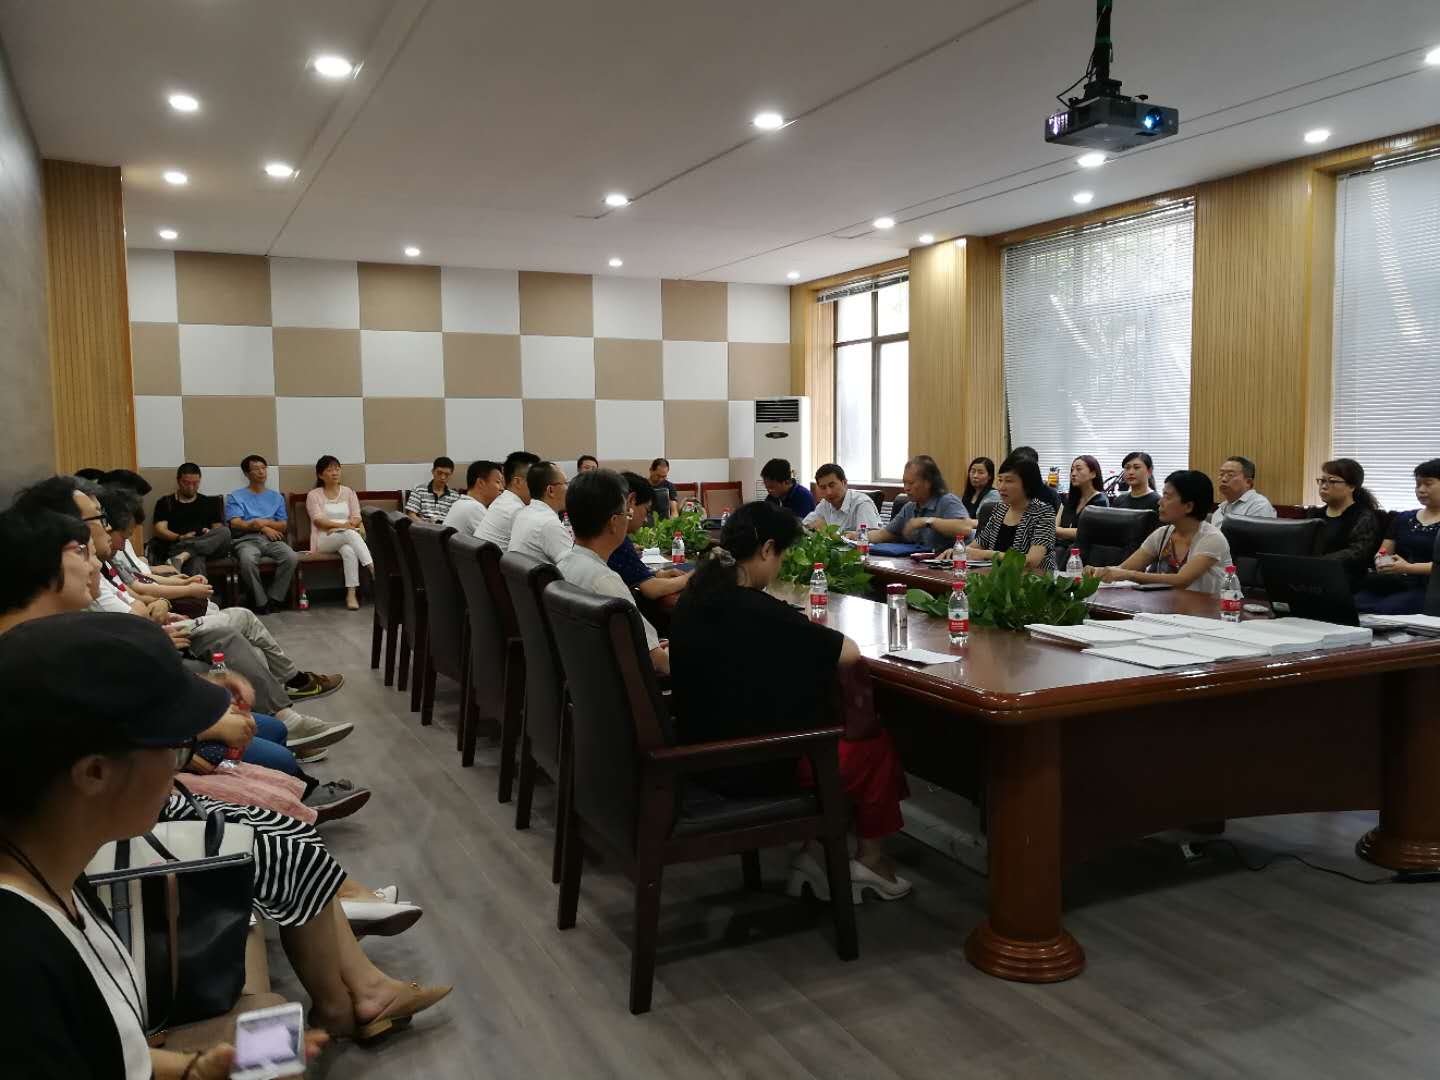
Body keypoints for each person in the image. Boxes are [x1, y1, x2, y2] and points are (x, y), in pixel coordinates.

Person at [0, 614, 449, 1061]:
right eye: (177, 749)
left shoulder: (57, 880)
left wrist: (196, 1068)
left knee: (273, 1024)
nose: (180, 771)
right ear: (94, 774)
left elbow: (113, 1053)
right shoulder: (23, 961)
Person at [669, 501, 911, 902]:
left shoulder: (694, 597)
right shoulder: (759, 611)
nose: (779, 566)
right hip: (748, 765)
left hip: (698, 750)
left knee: (840, 735)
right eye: (781, 556)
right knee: (871, 748)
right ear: (767, 549)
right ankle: (871, 861)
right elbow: (848, 653)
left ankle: (813, 855)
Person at [12, 478, 351, 754]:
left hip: (161, 640)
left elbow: (138, 593)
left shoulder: (90, 582)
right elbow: (136, 612)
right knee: (232, 622)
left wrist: (164, 600)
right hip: (162, 660)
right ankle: (289, 708)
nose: (106, 527)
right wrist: (194, 742)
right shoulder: (36, 655)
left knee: (224, 594)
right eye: (98, 520)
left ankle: (288, 707)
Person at [556, 469, 670, 673]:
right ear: (614, 522)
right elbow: (656, 661)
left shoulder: (563, 565)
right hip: (623, 685)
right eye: (627, 513)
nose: (629, 518)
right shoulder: (605, 581)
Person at [1087, 469, 1231, 593]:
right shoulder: (1163, 534)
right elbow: (1123, 569)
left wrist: (1128, 575)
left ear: (1188, 506)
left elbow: (1181, 581)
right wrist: (1100, 571)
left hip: (1212, 612)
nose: (1160, 502)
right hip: (1168, 607)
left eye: (1167, 497)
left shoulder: (1212, 538)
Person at [1356, 459, 1439, 615]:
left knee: (1384, 611)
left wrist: (1408, 568)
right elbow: (1384, 551)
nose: (1421, 490)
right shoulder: (1403, 517)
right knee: (1353, 604)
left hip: (1430, 588)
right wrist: (1381, 560)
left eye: (1428, 484)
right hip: (1395, 582)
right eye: (1418, 484)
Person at [226, 455, 298, 614]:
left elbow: (283, 525)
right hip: (246, 540)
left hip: (273, 539)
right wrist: (263, 527)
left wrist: (261, 524)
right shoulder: (236, 496)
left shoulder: (276, 497)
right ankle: (261, 602)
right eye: (256, 469)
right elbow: (235, 523)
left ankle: (275, 598)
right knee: (247, 560)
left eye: (263, 468)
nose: (261, 472)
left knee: (291, 557)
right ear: (246, 474)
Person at [966, 454, 1058, 571]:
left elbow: (1031, 561)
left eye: (1009, 481)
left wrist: (986, 554)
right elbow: (977, 545)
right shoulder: (1000, 509)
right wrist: (959, 551)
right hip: (996, 577)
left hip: (1032, 579)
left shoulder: (1043, 513)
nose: (1001, 487)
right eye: (1000, 480)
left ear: (1028, 484)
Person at [306, 456, 374, 611]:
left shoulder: (348, 492)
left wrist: (344, 527)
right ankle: (372, 567)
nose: (334, 473)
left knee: (349, 550)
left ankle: (351, 594)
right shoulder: (314, 495)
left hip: (346, 536)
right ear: (320, 475)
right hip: (324, 539)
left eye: (337, 469)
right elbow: (318, 521)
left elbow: (356, 517)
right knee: (349, 534)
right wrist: (342, 526)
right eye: (329, 470)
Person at [612, 472, 690, 607]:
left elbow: (634, 573)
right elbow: (652, 589)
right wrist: (691, 577)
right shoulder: (616, 540)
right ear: (631, 501)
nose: (646, 520)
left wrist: (656, 573)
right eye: (646, 510)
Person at [1304, 458, 1381, 589]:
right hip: (1310, 576)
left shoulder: (1364, 517)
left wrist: (1317, 563)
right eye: (1322, 480)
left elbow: (1357, 553)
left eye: (1332, 481)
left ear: (1351, 486)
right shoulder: (1314, 514)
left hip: (1347, 580)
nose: (1324, 486)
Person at [867, 456, 970, 549]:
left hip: (952, 560)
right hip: (921, 561)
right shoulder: (909, 507)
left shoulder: (947, 501)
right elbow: (883, 534)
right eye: (904, 483)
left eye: (911, 483)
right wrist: (860, 535)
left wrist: (927, 521)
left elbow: (966, 528)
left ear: (928, 483)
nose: (906, 488)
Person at [150, 463, 232, 578]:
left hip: (209, 546)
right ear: (178, 481)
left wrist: (209, 533)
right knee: (196, 559)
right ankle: (187, 557)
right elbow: (160, 530)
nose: (191, 487)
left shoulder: (209, 502)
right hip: (178, 545)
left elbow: (218, 528)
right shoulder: (166, 502)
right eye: (186, 483)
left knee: (225, 532)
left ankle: (185, 554)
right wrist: (180, 537)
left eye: (195, 483)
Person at [507, 461, 572, 565]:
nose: (569, 488)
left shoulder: (524, 513)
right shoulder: (549, 524)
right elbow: (573, 568)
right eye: (565, 483)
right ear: (550, 490)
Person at [475, 450, 539, 550]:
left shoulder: (502, 500)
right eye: (536, 480)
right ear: (517, 482)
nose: (540, 486)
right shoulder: (517, 510)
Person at [804, 463, 881, 535]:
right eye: (823, 487)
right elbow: (803, 527)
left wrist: (828, 533)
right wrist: (810, 527)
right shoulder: (824, 504)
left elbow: (867, 537)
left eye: (832, 485)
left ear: (844, 483)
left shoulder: (862, 504)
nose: (828, 492)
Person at [1055, 455, 1109, 545]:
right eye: (1072, 470)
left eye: (1079, 469)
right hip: (1060, 547)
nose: (1073, 474)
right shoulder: (1069, 499)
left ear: (1093, 474)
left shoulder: (1100, 501)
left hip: (1083, 550)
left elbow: (1089, 532)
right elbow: (1055, 525)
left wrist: (1058, 531)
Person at [442, 459, 504, 537]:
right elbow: (498, 541)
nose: (502, 488)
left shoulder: (460, 503)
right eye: (498, 482)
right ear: (481, 483)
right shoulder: (474, 508)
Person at [1211, 456, 1276, 526]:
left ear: (1248, 482)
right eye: (1221, 474)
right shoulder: (1220, 510)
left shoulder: (1259, 506)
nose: (1223, 479)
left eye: (1230, 475)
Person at [404, 457, 459, 524]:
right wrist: (426, 525)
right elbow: (411, 515)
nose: (443, 477)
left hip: (445, 528)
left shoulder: (455, 496)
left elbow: (456, 520)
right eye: (439, 473)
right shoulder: (419, 490)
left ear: (451, 474)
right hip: (423, 527)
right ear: (433, 471)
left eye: (447, 474)